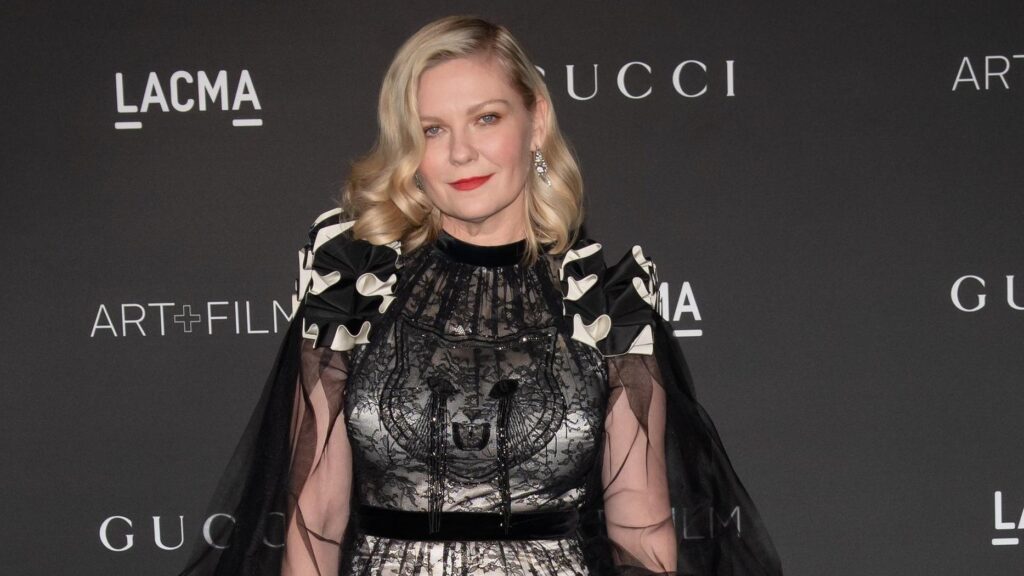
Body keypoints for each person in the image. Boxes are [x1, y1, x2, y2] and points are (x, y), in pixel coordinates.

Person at [178, 15, 783, 576]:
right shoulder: (354, 290)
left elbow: (641, 529)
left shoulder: (603, 302)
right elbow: (316, 517)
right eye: (432, 129)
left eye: (486, 119)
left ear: (536, 121)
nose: (460, 152)